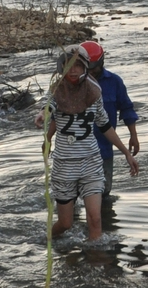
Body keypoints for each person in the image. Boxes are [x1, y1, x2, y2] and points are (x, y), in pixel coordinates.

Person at [38, 47, 137, 244]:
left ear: (85, 67)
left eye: (77, 65)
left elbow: (105, 125)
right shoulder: (57, 89)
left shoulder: (94, 91)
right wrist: (44, 119)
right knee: (66, 224)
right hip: (65, 165)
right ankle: (45, 239)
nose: (73, 70)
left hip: (91, 162)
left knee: (96, 219)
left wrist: (126, 152)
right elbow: (48, 106)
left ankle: (95, 264)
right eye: (69, 66)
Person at [79, 39, 140, 201]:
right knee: (75, 195)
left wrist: (133, 136)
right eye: (87, 69)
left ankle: (104, 223)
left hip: (105, 148)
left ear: (101, 62)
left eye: (94, 68)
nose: (91, 72)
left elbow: (127, 109)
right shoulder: (73, 84)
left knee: (103, 193)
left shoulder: (115, 82)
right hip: (78, 150)